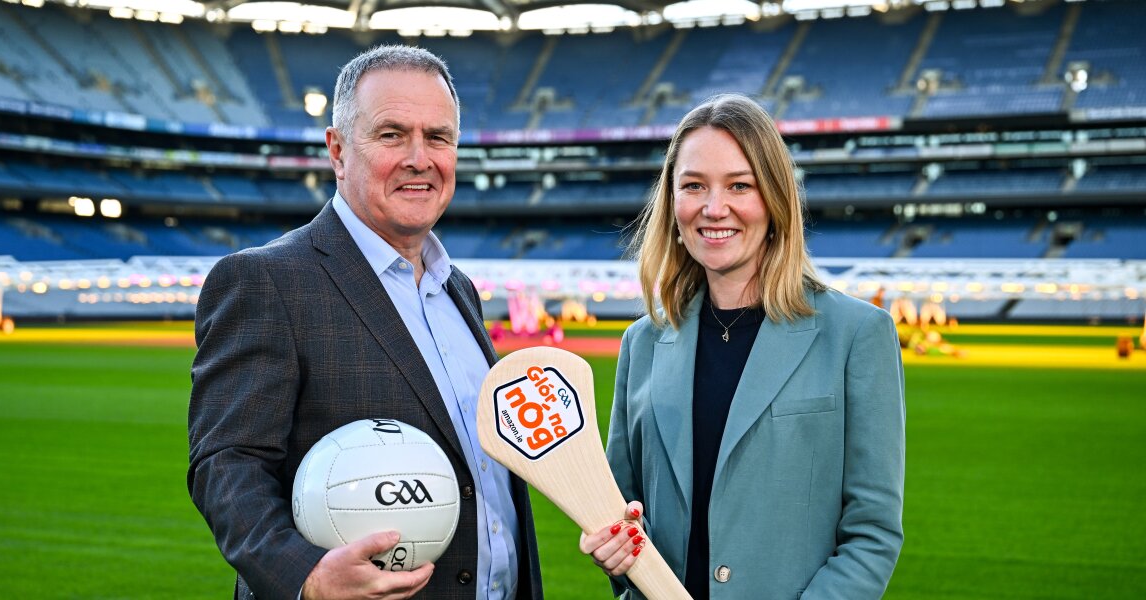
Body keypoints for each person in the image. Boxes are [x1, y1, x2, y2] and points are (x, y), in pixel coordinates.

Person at [188, 45, 543, 600]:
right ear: (337, 150)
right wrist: (305, 576)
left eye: (439, 137)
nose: (420, 158)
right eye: (392, 135)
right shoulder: (266, 280)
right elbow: (227, 463)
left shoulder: (459, 289)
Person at [580, 95, 905, 599]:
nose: (714, 208)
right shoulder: (641, 344)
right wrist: (615, 553)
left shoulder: (857, 334)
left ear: (774, 198)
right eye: (693, 186)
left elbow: (872, 535)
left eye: (739, 185)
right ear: (672, 203)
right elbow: (622, 516)